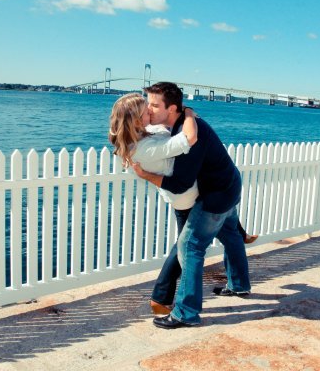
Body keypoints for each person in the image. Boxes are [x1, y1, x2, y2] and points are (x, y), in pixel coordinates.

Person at [108, 93, 258, 316]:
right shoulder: (143, 147)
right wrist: (187, 113)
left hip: (206, 193)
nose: (150, 111)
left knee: (210, 239)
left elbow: (169, 131)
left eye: (151, 107)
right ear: (136, 120)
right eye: (145, 111)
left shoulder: (147, 134)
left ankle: (233, 283)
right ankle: (166, 300)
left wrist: (176, 115)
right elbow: (187, 139)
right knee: (187, 247)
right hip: (187, 198)